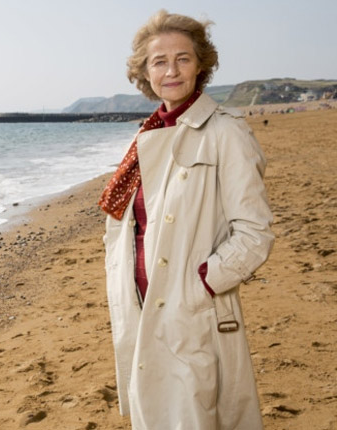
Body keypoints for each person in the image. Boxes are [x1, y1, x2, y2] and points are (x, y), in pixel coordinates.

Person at [99, 10, 274, 430]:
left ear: (201, 65)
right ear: (145, 72)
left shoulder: (225, 133)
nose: (171, 70)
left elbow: (254, 233)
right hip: (143, 308)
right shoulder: (149, 133)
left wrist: (199, 285)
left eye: (183, 58)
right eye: (159, 61)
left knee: (196, 415)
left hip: (193, 312)